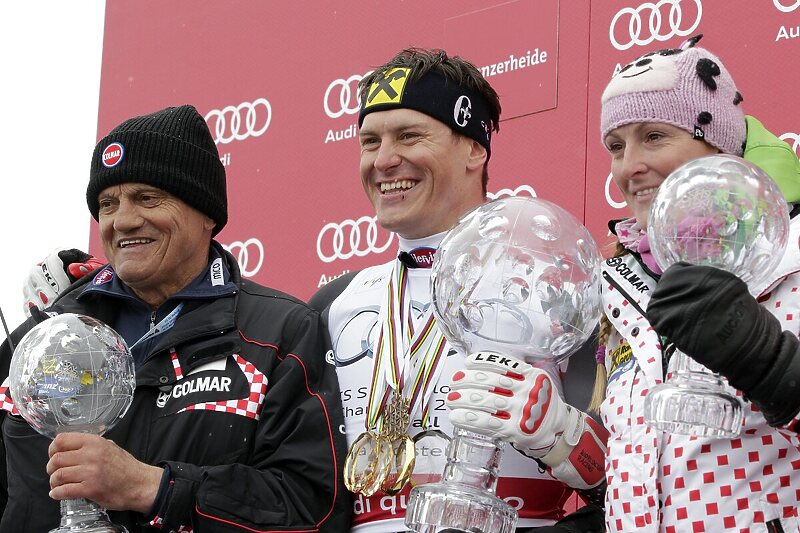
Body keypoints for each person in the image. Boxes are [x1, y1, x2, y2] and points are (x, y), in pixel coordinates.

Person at [0, 105, 350, 532]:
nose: (123, 220)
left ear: (207, 214)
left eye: (148, 198)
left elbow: (312, 507)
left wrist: (155, 488)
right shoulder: (42, 340)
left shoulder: (278, 332)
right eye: (108, 204)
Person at [309, 48, 607, 532]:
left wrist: (559, 433)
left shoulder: (556, 285)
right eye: (369, 141)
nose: (384, 160)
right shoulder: (333, 304)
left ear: (475, 148)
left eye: (409, 135)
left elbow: (637, 480)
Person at [590, 36, 800, 531]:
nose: (628, 167)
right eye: (616, 146)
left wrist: (769, 363)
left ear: (719, 143)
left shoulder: (795, 252)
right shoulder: (619, 281)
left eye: (655, 136)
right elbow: (634, 471)